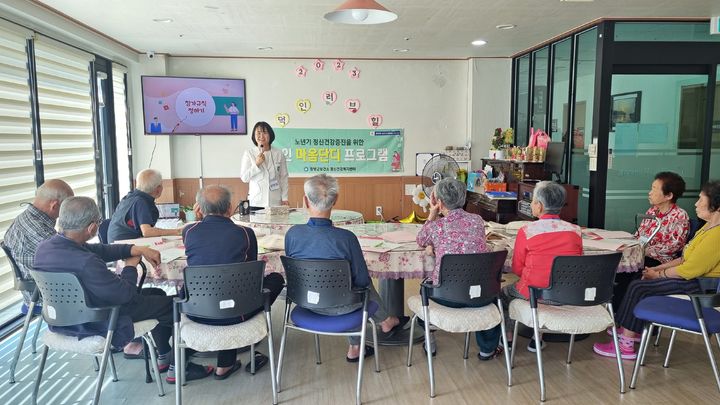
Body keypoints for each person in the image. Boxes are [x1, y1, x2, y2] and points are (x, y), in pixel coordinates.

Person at [32, 196, 214, 383]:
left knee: (157, 294)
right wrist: (130, 266)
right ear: (92, 228)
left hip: (64, 318)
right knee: (174, 306)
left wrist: (135, 249)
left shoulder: (45, 249)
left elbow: (100, 250)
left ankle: (164, 356)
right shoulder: (86, 263)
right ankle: (178, 368)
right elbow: (126, 295)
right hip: (101, 318)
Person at [284, 174, 406, 362]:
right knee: (359, 288)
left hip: (306, 304)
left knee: (348, 289)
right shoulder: (346, 238)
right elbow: (362, 281)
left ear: (305, 201)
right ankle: (362, 341)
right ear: (335, 201)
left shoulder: (292, 234)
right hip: (343, 308)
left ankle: (369, 336)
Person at [593, 180, 720, 360]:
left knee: (639, 287)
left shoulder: (717, 235)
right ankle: (630, 329)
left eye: (701, 200)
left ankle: (625, 346)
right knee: (638, 280)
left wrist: (657, 274)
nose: (696, 204)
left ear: (717, 206)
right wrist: (657, 269)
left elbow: (689, 270)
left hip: (698, 288)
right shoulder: (707, 227)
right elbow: (685, 258)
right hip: (689, 278)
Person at [182, 185, 285, 380]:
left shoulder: (189, 231)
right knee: (275, 279)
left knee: (219, 290)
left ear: (199, 208)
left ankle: (223, 362)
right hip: (239, 313)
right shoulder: (245, 233)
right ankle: (225, 363)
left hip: (198, 312)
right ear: (230, 208)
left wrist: (198, 221)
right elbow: (252, 276)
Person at [416, 178, 501, 360]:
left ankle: (429, 338)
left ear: (438, 201)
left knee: (423, 288)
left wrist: (432, 213)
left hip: (446, 297)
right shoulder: (477, 221)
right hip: (479, 295)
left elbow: (421, 240)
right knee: (490, 292)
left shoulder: (437, 226)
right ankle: (487, 349)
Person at [503, 181, 583, 351]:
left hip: (533, 295)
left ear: (539, 206)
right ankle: (536, 338)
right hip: (566, 294)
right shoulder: (575, 231)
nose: (531, 204)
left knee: (504, 294)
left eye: (532, 201)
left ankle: (508, 339)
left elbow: (517, 269)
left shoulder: (527, 231)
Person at [613, 172, 689, 309]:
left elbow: (674, 246)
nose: (649, 193)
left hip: (660, 260)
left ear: (669, 196)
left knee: (632, 274)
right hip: (640, 254)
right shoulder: (652, 212)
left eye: (654, 189)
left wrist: (644, 250)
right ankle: (618, 312)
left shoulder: (679, 216)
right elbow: (640, 235)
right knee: (617, 270)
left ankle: (626, 315)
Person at [5, 179, 73, 308]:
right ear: (54, 205)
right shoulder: (40, 231)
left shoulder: (26, 218)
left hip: (36, 291)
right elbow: (73, 260)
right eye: (67, 207)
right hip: (46, 297)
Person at [107, 169, 183, 242]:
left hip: (115, 243)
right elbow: (147, 232)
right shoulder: (140, 202)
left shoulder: (130, 196)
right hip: (123, 245)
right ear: (158, 189)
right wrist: (178, 231)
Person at [239, 122, 289, 209]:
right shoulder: (249, 153)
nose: (261, 136)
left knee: (275, 222)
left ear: (270, 135)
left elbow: (283, 177)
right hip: (256, 201)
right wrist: (256, 164)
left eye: (265, 132)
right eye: (258, 133)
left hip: (275, 201)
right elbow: (244, 178)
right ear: (254, 136)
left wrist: (285, 198)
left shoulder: (279, 153)